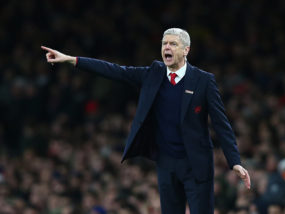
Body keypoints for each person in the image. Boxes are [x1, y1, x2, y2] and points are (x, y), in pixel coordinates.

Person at [41, 28, 251, 214]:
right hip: (166, 163)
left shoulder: (203, 81)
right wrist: (72, 60)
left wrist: (235, 162)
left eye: (173, 44)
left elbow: (221, 123)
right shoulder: (154, 73)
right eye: (164, 43)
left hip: (196, 164)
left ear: (186, 50)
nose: (166, 47)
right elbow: (116, 71)